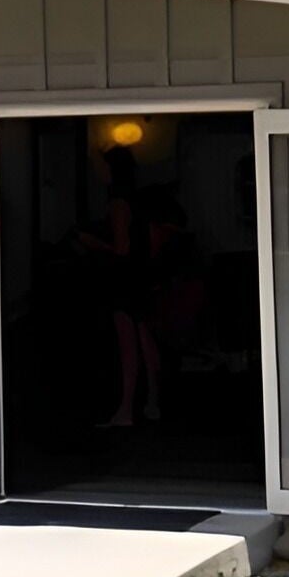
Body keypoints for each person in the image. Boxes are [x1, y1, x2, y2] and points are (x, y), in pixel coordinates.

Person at [78, 145, 162, 426]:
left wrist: (93, 243)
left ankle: (126, 409)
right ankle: (152, 401)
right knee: (143, 338)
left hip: (123, 279)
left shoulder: (118, 202)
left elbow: (121, 248)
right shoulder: (137, 201)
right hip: (140, 276)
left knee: (128, 343)